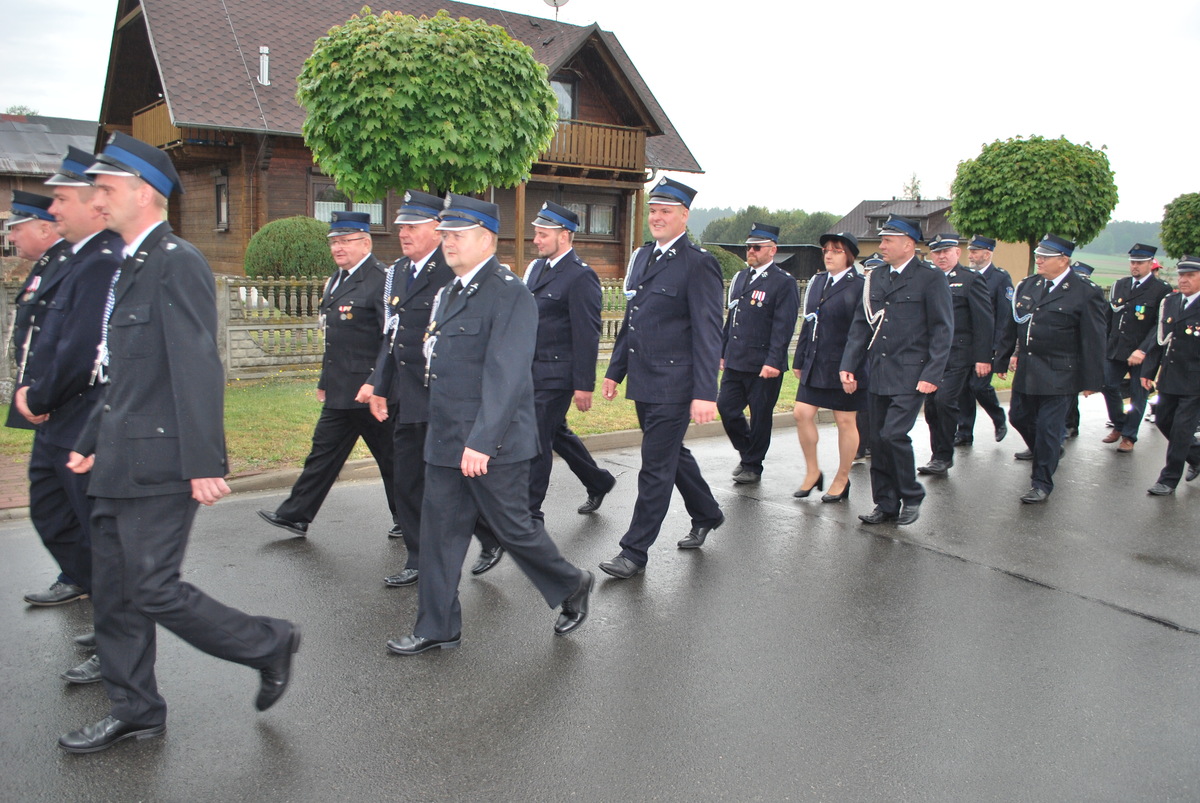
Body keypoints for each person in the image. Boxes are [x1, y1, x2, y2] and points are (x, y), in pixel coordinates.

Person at [60, 132, 298, 754]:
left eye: (106, 189)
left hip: (161, 460)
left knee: (152, 587)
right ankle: (135, 709)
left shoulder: (176, 260)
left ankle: (267, 642)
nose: (96, 199)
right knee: (115, 593)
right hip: (118, 458)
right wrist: (91, 437)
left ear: (144, 192)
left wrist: (203, 461)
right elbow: (123, 370)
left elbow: (196, 364)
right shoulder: (131, 264)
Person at [386, 194, 592, 655]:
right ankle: (437, 627)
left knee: (514, 531)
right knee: (439, 535)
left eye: (457, 235)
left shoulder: (509, 292)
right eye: (445, 235)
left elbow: (507, 374)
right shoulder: (448, 293)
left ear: (486, 239)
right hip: (446, 439)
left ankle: (572, 584)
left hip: (492, 444)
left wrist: (481, 441)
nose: (447, 242)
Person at [17, 149, 123, 684]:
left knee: (97, 534)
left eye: (61, 199)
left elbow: (83, 351)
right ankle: (109, 615)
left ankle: (117, 635)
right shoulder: (73, 258)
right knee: (51, 514)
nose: (53, 209)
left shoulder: (103, 260)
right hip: (58, 417)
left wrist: (37, 398)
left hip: (81, 418)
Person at [366, 190, 502, 587]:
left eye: (413, 226)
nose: (404, 234)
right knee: (408, 480)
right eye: (401, 227)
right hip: (408, 395)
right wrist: (379, 385)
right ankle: (419, 558)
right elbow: (393, 336)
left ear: (436, 229)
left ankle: (494, 534)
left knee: (460, 482)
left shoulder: (452, 270)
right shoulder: (398, 272)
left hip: (446, 399)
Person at [599, 177, 724, 577]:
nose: (656, 217)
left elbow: (708, 332)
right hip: (645, 380)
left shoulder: (698, 263)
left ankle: (634, 552)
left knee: (654, 466)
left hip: (676, 385)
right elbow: (633, 319)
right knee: (671, 455)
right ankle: (707, 512)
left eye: (665, 211)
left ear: (684, 216)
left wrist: (705, 391)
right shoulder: (642, 258)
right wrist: (615, 371)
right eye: (653, 210)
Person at [257, 211, 397, 538]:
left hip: (371, 394)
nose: (338, 248)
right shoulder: (336, 280)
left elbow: (390, 337)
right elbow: (333, 337)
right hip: (341, 391)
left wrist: (376, 381)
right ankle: (295, 515)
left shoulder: (381, 280)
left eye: (346, 241)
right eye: (334, 242)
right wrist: (324, 380)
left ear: (366, 243)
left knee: (394, 460)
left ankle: (410, 520)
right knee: (322, 454)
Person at [839, 215, 952, 526]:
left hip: (912, 373)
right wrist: (849, 364)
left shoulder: (930, 278)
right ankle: (886, 503)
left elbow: (943, 329)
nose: (882, 245)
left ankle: (911, 495)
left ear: (909, 244)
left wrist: (932, 373)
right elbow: (861, 325)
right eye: (882, 239)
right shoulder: (876, 277)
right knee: (877, 439)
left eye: (888, 240)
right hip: (878, 370)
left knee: (893, 434)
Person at [5, 190, 82, 605]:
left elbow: (73, 344)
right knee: (51, 504)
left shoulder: (72, 264)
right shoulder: (51, 265)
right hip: (46, 402)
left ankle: (99, 585)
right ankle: (85, 577)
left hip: (64, 404)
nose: (11, 237)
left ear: (43, 228)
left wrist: (43, 395)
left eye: (15, 228)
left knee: (70, 504)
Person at [524, 201, 615, 518]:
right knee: (556, 433)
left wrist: (583, 384)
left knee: (537, 439)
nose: (536, 240)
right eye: (536, 233)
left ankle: (528, 514)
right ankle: (598, 481)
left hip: (557, 376)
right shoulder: (537, 269)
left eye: (542, 234)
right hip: (532, 371)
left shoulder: (581, 277)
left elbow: (587, 334)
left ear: (563, 235)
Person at [999, 234, 1106, 504]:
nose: (1039, 260)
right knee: (1018, 417)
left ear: (1064, 260)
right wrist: (1002, 359)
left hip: (1061, 374)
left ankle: (1041, 483)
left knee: (1049, 429)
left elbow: (1093, 339)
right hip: (1028, 370)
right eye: (1038, 256)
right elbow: (1013, 326)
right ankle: (1048, 451)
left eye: (1046, 257)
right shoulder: (1029, 285)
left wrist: (1092, 380)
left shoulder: (1085, 291)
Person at [717, 222, 799, 484]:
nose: (750, 251)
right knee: (726, 408)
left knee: (760, 416)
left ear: (772, 250)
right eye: (748, 247)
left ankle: (753, 465)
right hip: (736, 359)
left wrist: (774, 360)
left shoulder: (783, 282)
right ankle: (747, 452)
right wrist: (722, 351)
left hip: (764, 364)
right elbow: (732, 319)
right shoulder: (741, 278)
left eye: (756, 247)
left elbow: (783, 326)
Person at [792, 231, 865, 502]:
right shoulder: (818, 281)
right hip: (816, 360)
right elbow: (809, 320)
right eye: (826, 250)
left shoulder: (860, 285)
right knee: (801, 413)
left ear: (849, 256)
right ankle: (813, 472)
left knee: (845, 421)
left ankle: (842, 478)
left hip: (845, 364)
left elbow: (861, 332)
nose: (829, 255)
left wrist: (852, 367)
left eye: (836, 250)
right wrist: (799, 358)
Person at [918, 235, 993, 476]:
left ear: (957, 253)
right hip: (932, 355)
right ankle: (937, 454)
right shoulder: (927, 279)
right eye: (937, 252)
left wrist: (983, 357)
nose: (941, 257)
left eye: (946, 251)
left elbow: (983, 320)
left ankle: (943, 456)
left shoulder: (970, 280)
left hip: (958, 354)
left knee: (944, 401)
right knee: (931, 407)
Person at [1100, 243, 1171, 453]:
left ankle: (1129, 436)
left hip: (1142, 351)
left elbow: (1158, 325)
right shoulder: (1119, 285)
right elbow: (1110, 317)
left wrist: (1143, 350)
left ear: (1150, 264)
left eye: (1140, 262)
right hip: (1117, 348)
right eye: (1132, 262)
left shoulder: (1161, 289)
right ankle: (1119, 423)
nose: (1135, 266)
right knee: (1107, 384)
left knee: (1138, 395)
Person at [1142, 255, 1200, 495]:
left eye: (1190, 276)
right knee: (1163, 420)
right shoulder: (1171, 301)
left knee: (1181, 430)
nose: (1183, 280)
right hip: (1170, 376)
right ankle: (1196, 455)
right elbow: (1160, 340)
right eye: (1181, 275)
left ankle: (1168, 479)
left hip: (1195, 380)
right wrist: (1149, 370)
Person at [955, 235, 1012, 445]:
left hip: (986, 344)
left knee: (979, 386)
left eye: (975, 252)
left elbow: (1004, 316)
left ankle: (998, 417)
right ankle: (964, 432)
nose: (970, 255)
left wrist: (997, 347)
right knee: (964, 389)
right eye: (970, 251)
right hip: (965, 343)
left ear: (987, 254)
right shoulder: (966, 276)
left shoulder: (1000, 278)